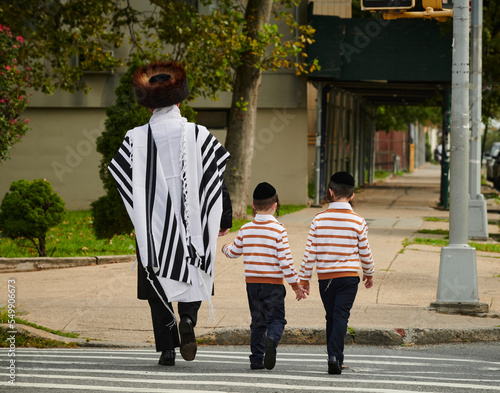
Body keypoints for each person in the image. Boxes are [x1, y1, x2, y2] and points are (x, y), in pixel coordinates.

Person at [108, 61, 232, 366]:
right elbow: (216, 177)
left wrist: (140, 218)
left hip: (154, 224)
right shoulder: (198, 134)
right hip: (194, 220)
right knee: (192, 269)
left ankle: (166, 348)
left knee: (157, 280)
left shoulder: (133, 139)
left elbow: (124, 183)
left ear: (149, 106)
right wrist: (224, 217)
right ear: (179, 100)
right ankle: (187, 318)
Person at [221, 182, 305, 370]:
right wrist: (295, 284)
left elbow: (234, 252)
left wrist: (224, 248)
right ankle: (272, 339)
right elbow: (286, 261)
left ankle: (256, 359)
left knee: (257, 322)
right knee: (276, 319)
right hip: (273, 284)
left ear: (253, 205)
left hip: (252, 285)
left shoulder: (246, 229)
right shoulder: (279, 230)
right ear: (275, 204)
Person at [299, 171, 374, 375]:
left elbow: (310, 252)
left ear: (330, 192)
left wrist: (304, 279)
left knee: (331, 316)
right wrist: (369, 272)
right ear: (352, 195)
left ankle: (334, 357)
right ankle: (335, 357)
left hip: (326, 279)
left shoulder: (319, 220)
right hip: (349, 277)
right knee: (341, 316)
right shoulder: (358, 221)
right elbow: (365, 251)